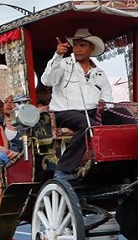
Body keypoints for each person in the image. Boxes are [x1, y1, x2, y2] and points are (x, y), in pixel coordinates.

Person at [40, 28, 129, 181]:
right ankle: (63, 169)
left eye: (82, 45)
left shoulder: (99, 73)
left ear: (91, 49)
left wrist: (105, 107)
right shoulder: (64, 64)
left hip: (93, 111)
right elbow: (47, 80)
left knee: (124, 116)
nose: (78, 49)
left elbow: (107, 96)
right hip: (64, 112)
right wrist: (58, 55)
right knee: (89, 126)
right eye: (76, 45)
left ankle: (130, 161)